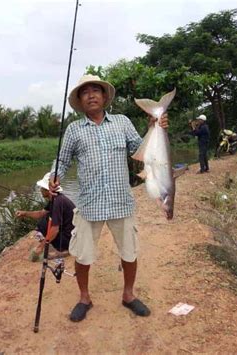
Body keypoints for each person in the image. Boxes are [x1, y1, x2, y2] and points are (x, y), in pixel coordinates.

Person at [48, 74, 169, 322]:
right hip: (89, 205)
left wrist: (153, 128)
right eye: (85, 92)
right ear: (80, 101)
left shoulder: (122, 122)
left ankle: (128, 295)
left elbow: (140, 151)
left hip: (121, 202)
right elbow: (61, 160)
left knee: (129, 252)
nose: (91, 94)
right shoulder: (73, 130)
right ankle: (84, 298)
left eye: (96, 90)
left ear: (104, 97)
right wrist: (53, 178)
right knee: (82, 255)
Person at [16, 172, 75, 261]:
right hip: (71, 234)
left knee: (48, 225)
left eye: (42, 188)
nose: (40, 190)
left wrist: (40, 247)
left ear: (48, 190)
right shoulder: (55, 198)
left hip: (71, 238)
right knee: (43, 221)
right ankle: (60, 245)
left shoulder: (57, 202)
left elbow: (55, 230)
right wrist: (25, 213)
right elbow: (40, 213)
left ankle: (65, 250)